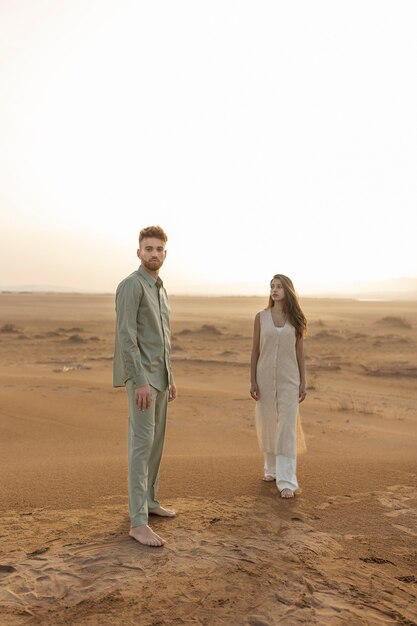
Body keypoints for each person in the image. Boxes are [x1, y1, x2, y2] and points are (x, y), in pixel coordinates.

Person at [113, 225, 177, 547]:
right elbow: (127, 336)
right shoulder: (131, 286)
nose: (154, 254)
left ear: (165, 254)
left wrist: (170, 376)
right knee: (141, 447)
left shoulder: (161, 288)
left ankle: (150, 502)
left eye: (159, 249)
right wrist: (139, 381)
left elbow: (162, 339)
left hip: (161, 378)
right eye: (148, 249)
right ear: (139, 252)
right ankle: (138, 522)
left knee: (156, 445)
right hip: (142, 381)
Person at [250, 274, 307, 499]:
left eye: (279, 286)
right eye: (272, 286)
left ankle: (287, 480)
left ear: (288, 290)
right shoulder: (261, 317)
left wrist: (303, 380)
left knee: (286, 428)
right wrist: (252, 379)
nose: (274, 290)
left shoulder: (297, 318)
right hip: (264, 377)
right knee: (268, 423)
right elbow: (255, 350)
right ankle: (271, 469)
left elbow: (300, 353)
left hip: (290, 379)